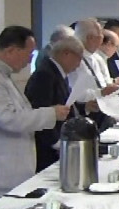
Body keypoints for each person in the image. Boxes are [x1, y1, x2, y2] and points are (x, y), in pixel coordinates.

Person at [0, 26, 69, 205]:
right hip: (0, 172)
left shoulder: (0, 73)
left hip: (12, 169)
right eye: (29, 53)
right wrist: (51, 114)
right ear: (11, 50)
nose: (30, 60)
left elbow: (20, 112)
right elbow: (8, 119)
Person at [25, 36, 83, 171]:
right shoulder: (45, 75)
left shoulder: (57, 73)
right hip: (47, 149)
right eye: (79, 58)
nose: (79, 64)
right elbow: (40, 109)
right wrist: (56, 143)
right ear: (66, 53)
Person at [69, 19, 119, 126]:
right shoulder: (74, 59)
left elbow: (101, 82)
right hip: (84, 115)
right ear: (90, 38)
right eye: (100, 35)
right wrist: (100, 93)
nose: (102, 38)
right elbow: (74, 93)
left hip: (101, 111)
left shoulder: (95, 57)